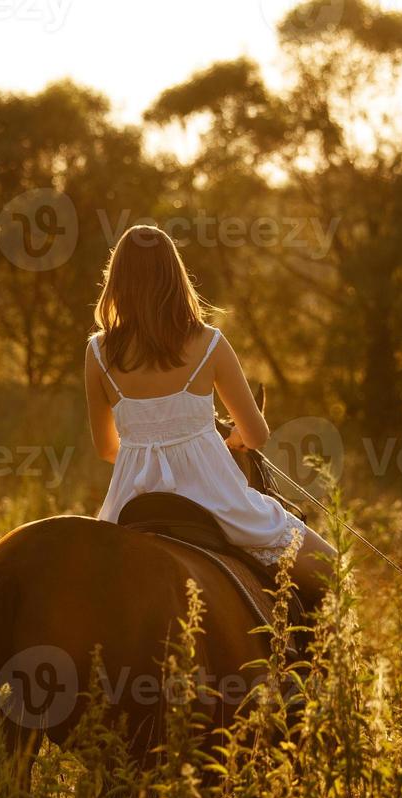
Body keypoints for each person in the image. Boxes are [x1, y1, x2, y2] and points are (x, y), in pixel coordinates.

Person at [85, 224, 336, 604]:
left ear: (116, 280)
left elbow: (106, 449)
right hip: (215, 498)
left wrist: (149, 451)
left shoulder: (98, 353)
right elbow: (256, 435)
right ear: (176, 277)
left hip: (127, 504)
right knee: (332, 568)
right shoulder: (209, 343)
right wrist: (230, 437)